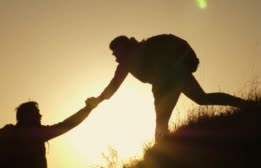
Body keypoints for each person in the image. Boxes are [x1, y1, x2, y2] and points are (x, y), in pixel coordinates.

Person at [88, 34, 251, 142]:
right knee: (202, 99)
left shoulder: (144, 49)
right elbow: (114, 85)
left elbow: (172, 45)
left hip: (173, 76)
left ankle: (160, 149)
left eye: (115, 51)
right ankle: (246, 105)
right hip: (175, 75)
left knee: (162, 118)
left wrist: (187, 59)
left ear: (123, 47)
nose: (114, 55)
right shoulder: (126, 64)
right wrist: (99, 99)